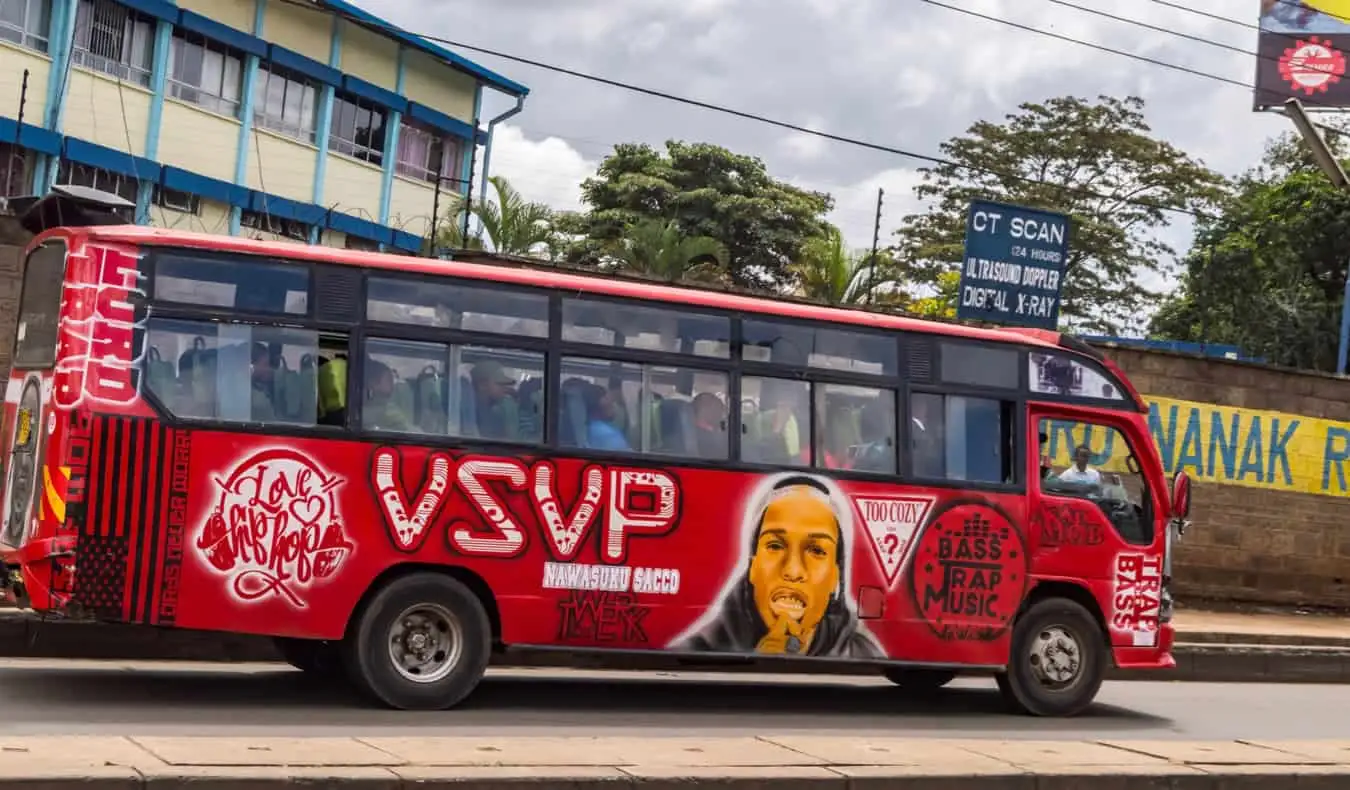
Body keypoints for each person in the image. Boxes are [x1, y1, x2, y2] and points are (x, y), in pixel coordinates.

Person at [672, 476, 882, 659]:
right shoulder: (697, 647)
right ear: (752, 567)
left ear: (836, 577)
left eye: (817, 551)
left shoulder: (863, 652)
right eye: (775, 546)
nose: (793, 571)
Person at [469, 359, 518, 440]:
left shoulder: (494, 410)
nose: (505, 386)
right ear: (483, 384)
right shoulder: (478, 412)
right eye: (499, 382)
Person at [362, 359, 415, 433]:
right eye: (389, 379)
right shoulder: (383, 410)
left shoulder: (385, 405)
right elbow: (408, 430)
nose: (392, 384)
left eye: (392, 379)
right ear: (374, 383)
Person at [580, 382, 630, 451]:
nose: (613, 403)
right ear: (601, 403)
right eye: (607, 398)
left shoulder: (584, 428)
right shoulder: (608, 434)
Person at [692, 392, 727, 459]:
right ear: (704, 410)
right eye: (718, 409)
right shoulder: (703, 438)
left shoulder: (691, 431)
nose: (721, 416)